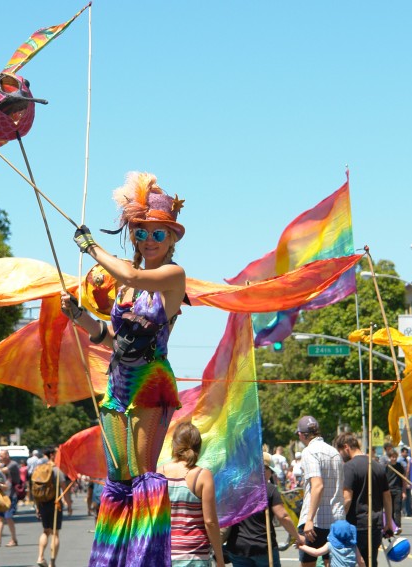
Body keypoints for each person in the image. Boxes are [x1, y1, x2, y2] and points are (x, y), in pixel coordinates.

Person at [61, 171, 187, 566]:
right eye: (141, 233)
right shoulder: (126, 288)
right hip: (116, 383)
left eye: (157, 234)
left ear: (172, 240)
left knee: (141, 471)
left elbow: (131, 273)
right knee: (118, 476)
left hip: (150, 382)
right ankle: (111, 558)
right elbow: (111, 336)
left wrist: (91, 247)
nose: (148, 241)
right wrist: (80, 316)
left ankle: (143, 560)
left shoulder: (171, 276)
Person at [158, 421, 225, 567]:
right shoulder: (202, 475)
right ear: (198, 446)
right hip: (194, 557)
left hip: (164, 555)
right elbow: (210, 522)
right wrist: (220, 558)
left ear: (174, 445)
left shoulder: (159, 473)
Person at [224, 452, 303, 566]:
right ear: (264, 470)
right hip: (263, 546)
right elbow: (283, 516)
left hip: (238, 546)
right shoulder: (269, 489)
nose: (270, 475)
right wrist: (297, 536)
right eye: (270, 471)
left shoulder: (235, 488)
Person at [333, 433, 393, 567]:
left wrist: (339, 521)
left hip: (356, 524)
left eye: (340, 451)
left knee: (354, 562)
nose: (340, 456)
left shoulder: (349, 467)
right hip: (375, 523)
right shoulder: (377, 466)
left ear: (346, 447)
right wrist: (388, 522)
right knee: (371, 561)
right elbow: (387, 497)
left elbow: (347, 499)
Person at [296, 416, 345, 567]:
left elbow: (318, 485)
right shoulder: (334, 452)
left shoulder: (309, 452)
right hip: (336, 519)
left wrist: (309, 519)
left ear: (302, 435)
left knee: (308, 563)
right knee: (331, 563)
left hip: (316, 520)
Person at [33, 448, 69, 567]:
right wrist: (69, 503)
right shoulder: (56, 469)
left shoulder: (39, 470)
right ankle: (52, 562)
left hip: (42, 503)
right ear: (52, 455)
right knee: (55, 533)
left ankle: (40, 557)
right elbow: (64, 487)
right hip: (55, 503)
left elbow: (35, 489)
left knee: (45, 531)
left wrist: (37, 506)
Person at [297, 519, 364, 567]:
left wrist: (302, 547)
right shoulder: (353, 546)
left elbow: (316, 552)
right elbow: (361, 561)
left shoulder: (331, 545)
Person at [0, 450, 19, 547]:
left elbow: (1, 471)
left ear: (7, 456)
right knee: (0, 517)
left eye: (2, 456)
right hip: (3, 495)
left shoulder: (13, 464)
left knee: (8, 517)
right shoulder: (1, 465)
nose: (0, 458)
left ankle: (13, 539)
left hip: (11, 495)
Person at [384, 449, 405, 533]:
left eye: (395, 457)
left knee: (397, 509)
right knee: (390, 510)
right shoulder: (386, 466)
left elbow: (403, 479)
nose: (394, 459)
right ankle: (391, 526)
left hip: (398, 489)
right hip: (388, 490)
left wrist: (403, 491)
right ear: (389, 457)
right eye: (392, 457)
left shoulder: (399, 466)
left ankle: (398, 526)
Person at [397, 447, 412, 518]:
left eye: (407, 452)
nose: (406, 453)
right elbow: (404, 472)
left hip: (407, 480)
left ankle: (408, 511)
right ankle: (403, 510)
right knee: (403, 497)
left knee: (408, 496)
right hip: (402, 481)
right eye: (405, 452)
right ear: (402, 453)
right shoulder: (399, 461)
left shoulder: (407, 460)